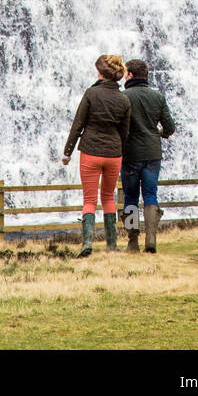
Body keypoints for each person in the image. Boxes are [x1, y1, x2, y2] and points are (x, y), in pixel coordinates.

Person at [61, 54, 131, 257]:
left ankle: (87, 244)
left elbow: (78, 125)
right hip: (114, 154)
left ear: (101, 73)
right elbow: (125, 132)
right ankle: (112, 245)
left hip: (90, 152)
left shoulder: (91, 93)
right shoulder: (124, 99)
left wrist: (68, 152)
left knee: (89, 200)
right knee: (108, 197)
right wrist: (121, 153)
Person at [120, 58, 176, 253]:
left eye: (126, 73)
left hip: (130, 154)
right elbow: (170, 127)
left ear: (131, 75)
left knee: (131, 197)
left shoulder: (123, 96)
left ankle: (133, 241)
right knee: (151, 194)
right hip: (153, 153)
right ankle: (151, 239)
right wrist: (159, 135)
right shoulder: (158, 97)